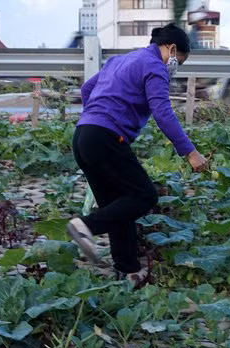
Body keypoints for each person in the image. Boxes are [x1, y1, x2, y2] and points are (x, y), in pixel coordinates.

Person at [66, 24, 208, 286]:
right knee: (144, 196)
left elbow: (87, 89)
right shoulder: (154, 66)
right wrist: (190, 153)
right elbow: (163, 112)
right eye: (180, 61)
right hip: (107, 138)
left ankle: (128, 272)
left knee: (119, 205)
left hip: (83, 136)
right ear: (172, 48)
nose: (177, 67)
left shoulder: (120, 60)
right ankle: (85, 226)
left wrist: (96, 115)